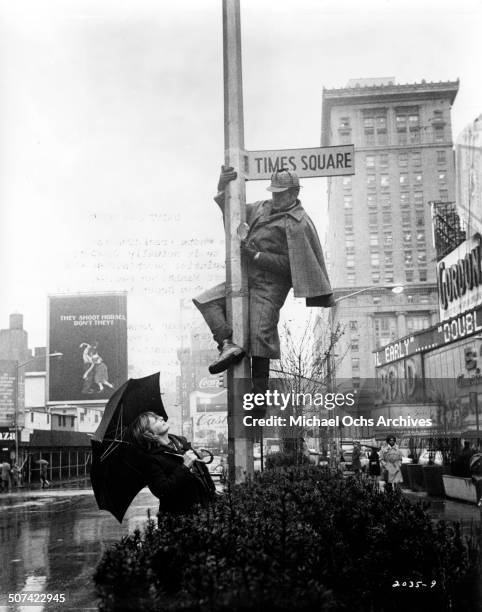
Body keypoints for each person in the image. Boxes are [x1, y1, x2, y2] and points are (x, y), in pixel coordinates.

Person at [193, 166, 334, 402]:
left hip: (270, 286)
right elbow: (232, 213)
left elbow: (295, 266)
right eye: (275, 192)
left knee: (260, 335)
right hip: (244, 277)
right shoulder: (261, 207)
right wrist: (222, 187)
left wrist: (258, 256)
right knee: (206, 301)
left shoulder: (300, 223)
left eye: (282, 193)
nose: (276, 197)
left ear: (294, 193)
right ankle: (227, 345)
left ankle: (258, 398)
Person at [128, 412, 215, 517]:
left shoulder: (180, 443)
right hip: (179, 518)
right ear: (150, 433)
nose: (160, 417)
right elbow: (162, 490)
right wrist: (185, 466)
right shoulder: (151, 459)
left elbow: (202, 473)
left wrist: (212, 493)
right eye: (155, 420)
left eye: (158, 417)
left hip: (203, 510)